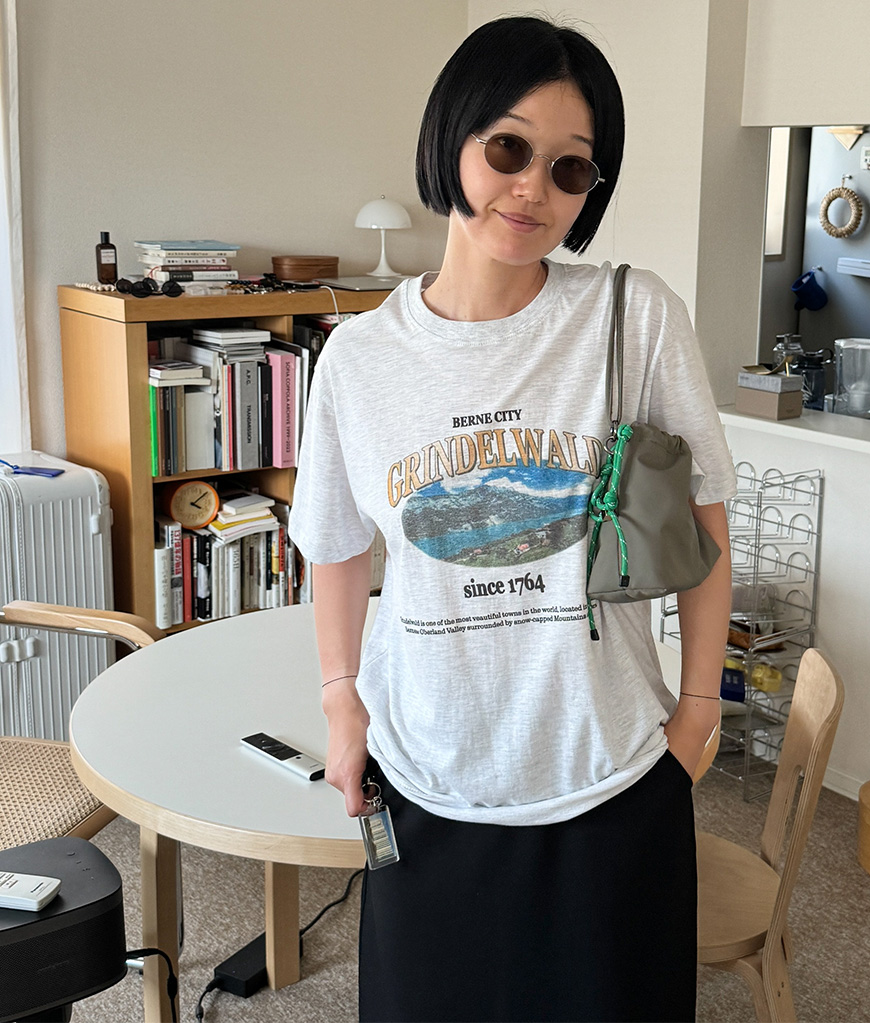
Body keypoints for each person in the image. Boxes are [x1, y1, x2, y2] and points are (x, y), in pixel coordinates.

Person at [289, 15, 736, 1023]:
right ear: (451, 138)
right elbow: (337, 548)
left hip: (611, 774)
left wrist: (699, 711)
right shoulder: (359, 359)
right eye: (508, 149)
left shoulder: (633, 316)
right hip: (429, 777)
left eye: (570, 168)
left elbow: (703, 517)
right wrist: (341, 705)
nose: (534, 188)